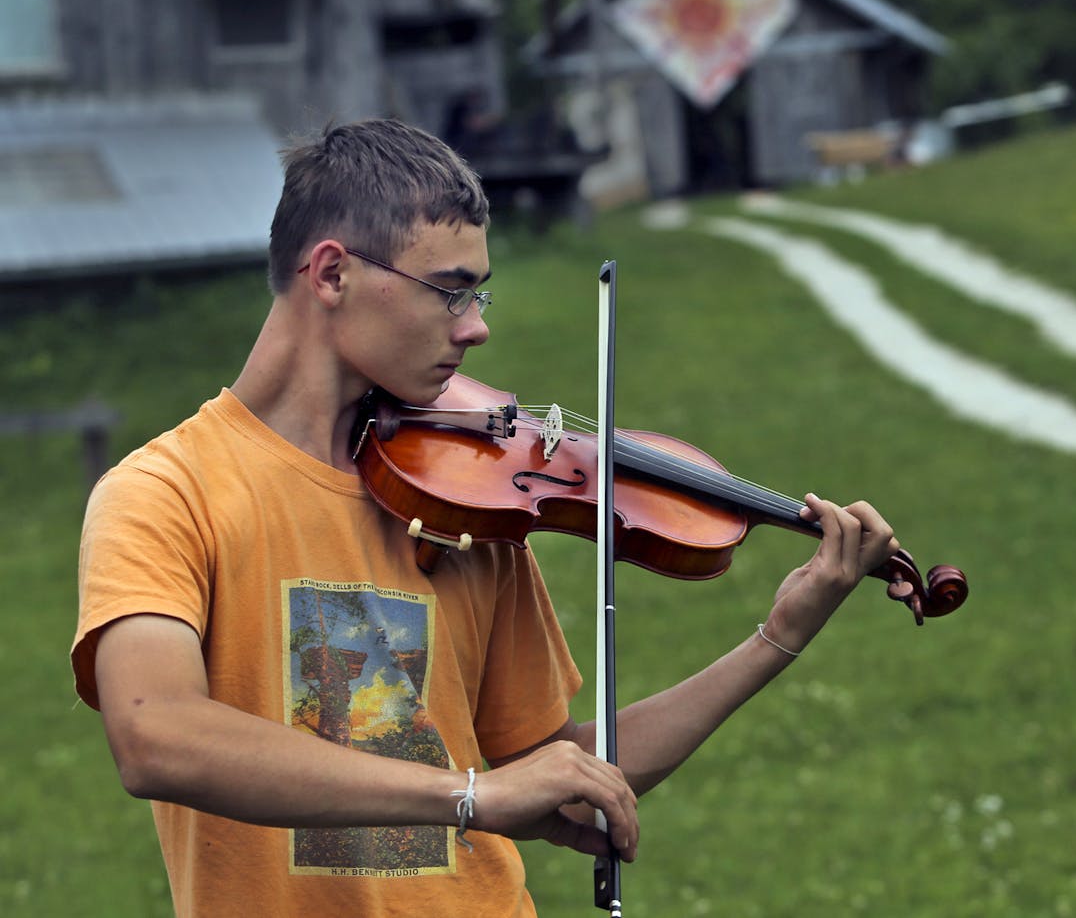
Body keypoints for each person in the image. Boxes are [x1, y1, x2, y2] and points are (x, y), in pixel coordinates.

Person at [72, 117, 910, 917]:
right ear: (331, 275)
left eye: (481, 296)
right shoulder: (165, 490)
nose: (475, 329)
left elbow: (560, 773)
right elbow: (157, 734)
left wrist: (777, 638)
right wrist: (468, 793)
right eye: (449, 292)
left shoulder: (465, 498)